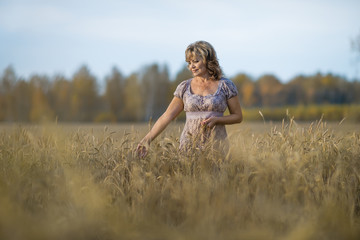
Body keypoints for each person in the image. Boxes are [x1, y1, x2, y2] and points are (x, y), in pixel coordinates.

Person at [136, 40, 243, 158]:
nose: (191, 66)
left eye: (196, 61)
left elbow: (238, 116)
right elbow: (167, 116)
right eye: (189, 62)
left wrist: (217, 120)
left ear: (208, 61)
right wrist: (147, 140)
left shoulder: (226, 85)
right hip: (189, 147)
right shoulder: (184, 87)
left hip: (217, 146)